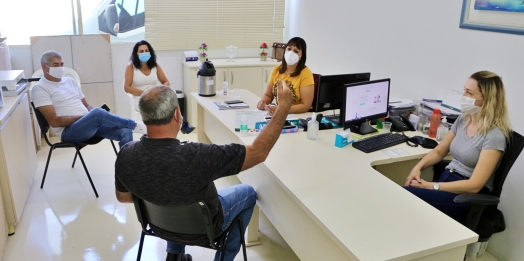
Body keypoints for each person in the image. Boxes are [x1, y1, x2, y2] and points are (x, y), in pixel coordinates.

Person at [114, 81, 293, 261]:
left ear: (144, 116)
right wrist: (283, 107)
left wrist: (156, 194)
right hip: (206, 229)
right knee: (248, 193)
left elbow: (123, 197)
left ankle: (174, 256)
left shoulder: (126, 154)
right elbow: (257, 153)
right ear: (177, 114)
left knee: (169, 193)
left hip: (158, 225)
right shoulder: (198, 156)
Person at [404, 71, 511, 223]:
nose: (464, 96)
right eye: (464, 90)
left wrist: (431, 186)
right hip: (447, 179)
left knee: (405, 195)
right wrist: (418, 167)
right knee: (404, 194)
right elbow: (440, 151)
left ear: (486, 99)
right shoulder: (463, 120)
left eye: (469, 92)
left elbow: (475, 185)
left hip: (465, 197)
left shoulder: (494, 136)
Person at [32, 50, 146, 149]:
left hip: (89, 126)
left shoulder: (70, 81)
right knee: (97, 113)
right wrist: (89, 117)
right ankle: (135, 124)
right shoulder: (40, 88)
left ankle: (126, 166)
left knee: (125, 131)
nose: (60, 68)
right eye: (55, 65)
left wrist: (92, 117)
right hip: (69, 132)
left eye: (62, 64)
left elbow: (87, 106)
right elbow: (55, 122)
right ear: (44, 67)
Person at [124, 40, 195, 134]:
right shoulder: (131, 67)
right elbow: (127, 87)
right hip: (139, 96)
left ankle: (182, 123)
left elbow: (166, 81)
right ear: (136, 53)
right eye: (141, 51)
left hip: (154, 93)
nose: (144, 53)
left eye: (146, 50)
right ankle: (154, 130)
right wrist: (145, 93)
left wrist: (160, 89)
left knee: (172, 94)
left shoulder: (155, 65)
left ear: (150, 52)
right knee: (156, 105)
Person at [257, 37, 314, 116]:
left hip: (297, 115)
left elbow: (306, 105)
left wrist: (283, 110)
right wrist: (263, 102)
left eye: (296, 51)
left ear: (302, 56)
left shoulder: (305, 73)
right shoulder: (276, 70)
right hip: (279, 113)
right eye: (289, 49)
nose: (291, 53)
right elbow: (268, 95)